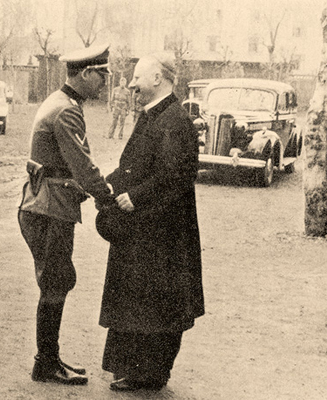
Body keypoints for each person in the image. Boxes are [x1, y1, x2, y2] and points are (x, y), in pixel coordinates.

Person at [97, 52, 204, 392]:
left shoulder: (176, 120)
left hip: (165, 234)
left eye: (137, 79)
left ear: (157, 78)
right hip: (145, 229)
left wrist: (137, 197)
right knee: (137, 300)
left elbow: (175, 176)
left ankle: (151, 375)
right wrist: (101, 186)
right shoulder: (153, 116)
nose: (131, 86)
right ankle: (135, 370)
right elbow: (132, 167)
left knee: (159, 306)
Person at [17, 43, 115, 386]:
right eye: (102, 75)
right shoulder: (67, 110)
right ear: (87, 73)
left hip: (46, 204)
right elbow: (83, 166)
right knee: (56, 282)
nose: (105, 83)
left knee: (57, 280)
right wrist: (107, 198)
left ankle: (49, 358)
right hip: (50, 209)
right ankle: (45, 363)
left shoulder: (62, 102)